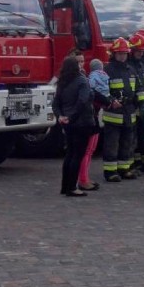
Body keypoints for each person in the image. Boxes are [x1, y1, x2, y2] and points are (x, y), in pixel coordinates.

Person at [52, 55, 94, 197]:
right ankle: (72, 188)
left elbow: (55, 103)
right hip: (81, 122)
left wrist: (61, 116)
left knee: (69, 154)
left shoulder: (62, 82)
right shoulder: (81, 80)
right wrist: (72, 117)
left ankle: (65, 186)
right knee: (78, 155)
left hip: (66, 123)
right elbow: (83, 101)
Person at [102, 37, 142, 182]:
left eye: (124, 54)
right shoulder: (107, 70)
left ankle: (124, 169)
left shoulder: (130, 69)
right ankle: (110, 172)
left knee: (127, 143)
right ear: (113, 54)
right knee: (112, 144)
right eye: (119, 54)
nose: (122, 56)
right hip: (113, 114)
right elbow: (101, 91)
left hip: (129, 112)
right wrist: (111, 101)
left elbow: (138, 88)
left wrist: (140, 103)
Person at [77, 58, 110, 191]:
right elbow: (92, 95)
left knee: (89, 150)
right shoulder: (82, 80)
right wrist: (108, 101)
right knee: (87, 150)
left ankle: (84, 178)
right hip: (88, 118)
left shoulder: (86, 78)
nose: (81, 64)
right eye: (78, 61)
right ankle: (83, 180)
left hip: (91, 116)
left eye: (82, 61)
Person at [127, 31, 144, 175]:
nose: (140, 54)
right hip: (133, 107)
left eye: (142, 51)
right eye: (138, 51)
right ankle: (134, 163)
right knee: (133, 137)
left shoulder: (140, 65)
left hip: (143, 105)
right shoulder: (129, 66)